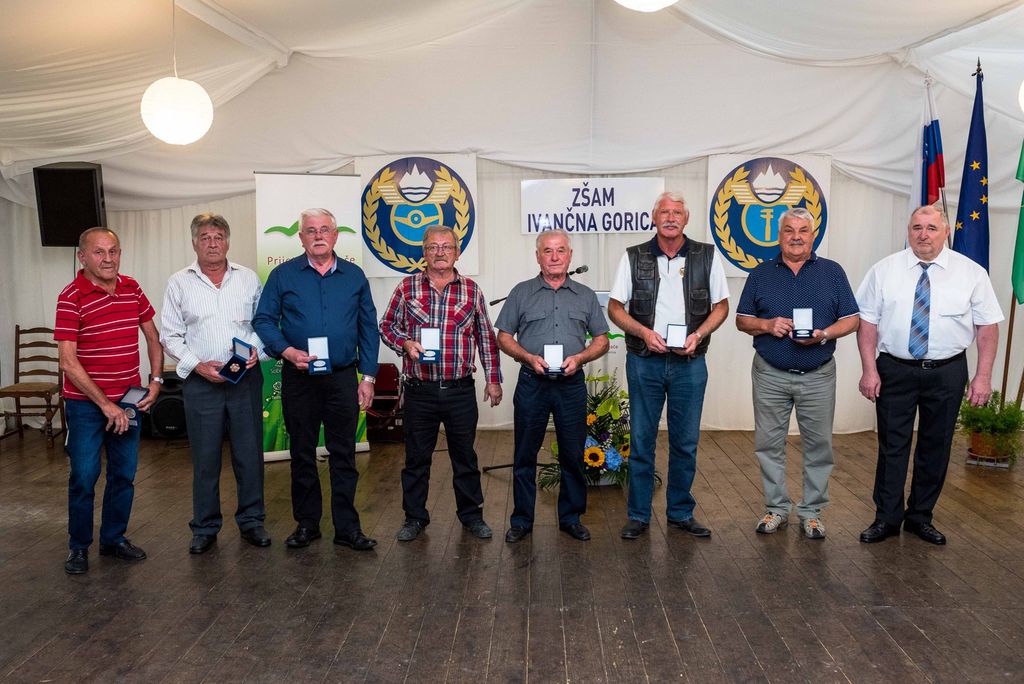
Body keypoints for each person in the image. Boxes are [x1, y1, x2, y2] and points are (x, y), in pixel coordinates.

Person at [856, 204, 1002, 545]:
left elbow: (987, 327)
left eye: (932, 228)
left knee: (936, 446)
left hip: (947, 372)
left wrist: (983, 377)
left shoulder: (971, 273)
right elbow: (867, 322)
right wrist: (868, 369)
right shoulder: (884, 270)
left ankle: (920, 517)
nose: (924, 235)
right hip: (895, 370)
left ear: (946, 232)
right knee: (893, 446)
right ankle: (887, 518)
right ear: (909, 231)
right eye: (917, 228)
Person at [253, 208, 380, 551]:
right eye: (311, 230)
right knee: (302, 453)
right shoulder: (282, 275)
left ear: (335, 236)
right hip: (300, 378)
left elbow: (368, 329)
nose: (318, 235)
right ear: (301, 238)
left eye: (325, 229)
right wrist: (286, 351)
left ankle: (347, 528)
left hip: (342, 377)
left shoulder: (354, 276)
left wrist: (367, 377)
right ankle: (307, 524)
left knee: (344, 454)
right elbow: (263, 320)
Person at [608, 191, 729, 539]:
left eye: (677, 212)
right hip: (644, 361)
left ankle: (680, 512)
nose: (671, 217)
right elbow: (615, 307)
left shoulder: (707, 256)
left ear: (686, 219)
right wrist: (643, 332)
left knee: (686, 442)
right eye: (665, 212)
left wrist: (699, 334)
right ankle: (638, 515)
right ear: (654, 217)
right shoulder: (633, 256)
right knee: (641, 441)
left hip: (689, 363)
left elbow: (721, 306)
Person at [735, 208, 859, 540]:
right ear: (779, 236)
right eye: (789, 230)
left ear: (813, 235)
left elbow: (852, 319)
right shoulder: (760, 273)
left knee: (819, 446)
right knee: (768, 444)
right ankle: (776, 508)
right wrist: (767, 325)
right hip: (770, 374)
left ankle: (812, 513)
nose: (796, 237)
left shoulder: (832, 272)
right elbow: (741, 320)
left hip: (818, 374)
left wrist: (824, 334)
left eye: (803, 230)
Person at [379, 225, 503, 542]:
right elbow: (387, 326)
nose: (440, 252)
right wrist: (404, 343)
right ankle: (414, 518)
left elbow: (485, 338)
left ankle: (472, 516)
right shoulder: (406, 288)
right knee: (416, 459)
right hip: (419, 391)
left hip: (459, 390)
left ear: (457, 253)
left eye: (446, 247)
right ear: (424, 252)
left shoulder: (471, 290)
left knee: (465, 458)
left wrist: (493, 379)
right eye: (433, 247)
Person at [55, 227, 163, 575]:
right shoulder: (71, 296)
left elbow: (153, 336)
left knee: (123, 474)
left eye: (113, 251)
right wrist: (105, 404)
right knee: (84, 476)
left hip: (129, 401)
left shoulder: (132, 288)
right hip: (86, 406)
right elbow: (68, 361)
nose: (107, 259)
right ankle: (78, 547)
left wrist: (156, 381)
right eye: (99, 252)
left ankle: (113, 539)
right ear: (82, 257)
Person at [160, 213, 270, 555]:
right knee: (205, 458)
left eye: (218, 237)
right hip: (202, 383)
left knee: (249, 455)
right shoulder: (179, 282)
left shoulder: (248, 278)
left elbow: (263, 323)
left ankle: (252, 521)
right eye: (205, 237)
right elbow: (170, 335)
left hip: (244, 380)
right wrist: (197, 366)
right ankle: (205, 527)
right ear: (194, 243)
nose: (212, 243)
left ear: (228, 242)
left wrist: (255, 351)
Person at [495, 229, 610, 543]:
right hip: (532, 383)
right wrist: (528, 357)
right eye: (548, 251)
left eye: (561, 250)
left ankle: (571, 518)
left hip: (571, 385)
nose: (555, 256)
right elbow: (503, 337)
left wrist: (581, 358)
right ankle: (522, 521)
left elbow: (602, 340)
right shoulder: (521, 292)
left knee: (573, 454)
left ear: (570, 256)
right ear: (538, 257)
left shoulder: (585, 295)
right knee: (524, 455)